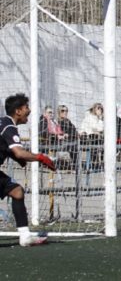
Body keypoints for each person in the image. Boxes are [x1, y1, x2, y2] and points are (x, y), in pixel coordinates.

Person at [0, 93, 56, 246]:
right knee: (17, 191)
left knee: (17, 191)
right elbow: (18, 151)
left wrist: (17, 158)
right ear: (18, 111)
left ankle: (25, 236)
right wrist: (41, 157)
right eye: (26, 107)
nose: (29, 111)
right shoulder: (9, 126)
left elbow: (6, 148)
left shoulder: (3, 123)